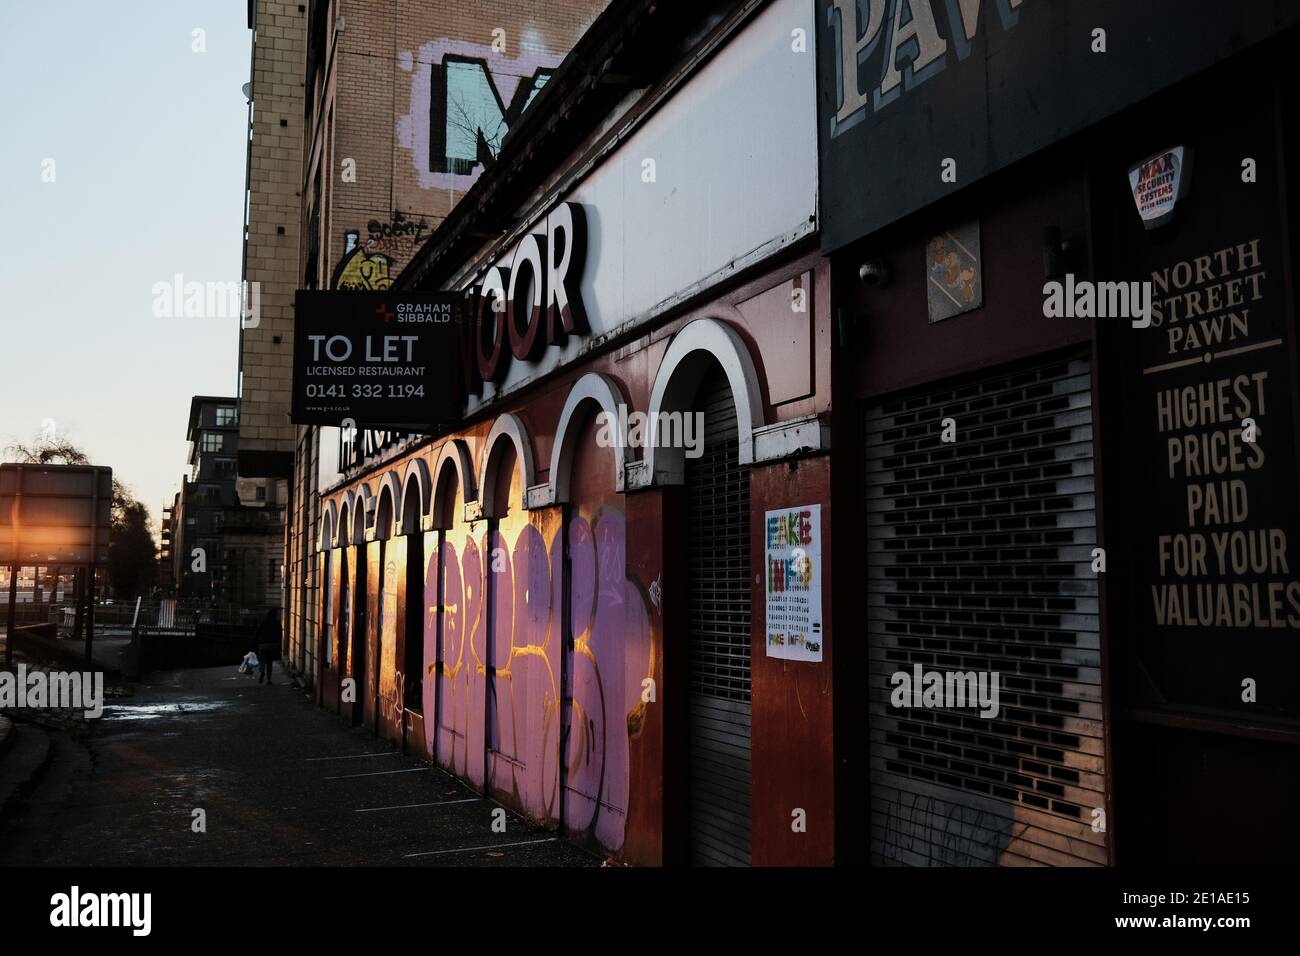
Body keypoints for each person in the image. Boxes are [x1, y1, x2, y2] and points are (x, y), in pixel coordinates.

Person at [254, 609, 282, 686]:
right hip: (273, 644)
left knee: (262, 660)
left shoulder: (263, 622)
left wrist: (256, 641)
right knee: (269, 662)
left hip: (263, 644)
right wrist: (278, 644)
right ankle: (269, 680)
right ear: (275, 615)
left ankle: (262, 671)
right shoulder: (277, 623)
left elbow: (257, 632)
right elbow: (280, 635)